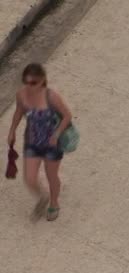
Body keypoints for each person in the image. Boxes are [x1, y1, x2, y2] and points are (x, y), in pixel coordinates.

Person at [7, 63, 73, 222]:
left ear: (42, 80)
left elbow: (67, 116)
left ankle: (54, 203)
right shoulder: (21, 95)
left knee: (52, 176)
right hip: (32, 142)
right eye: (26, 82)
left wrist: (57, 134)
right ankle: (43, 197)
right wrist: (12, 130)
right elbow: (18, 112)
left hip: (52, 144)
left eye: (33, 83)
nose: (29, 86)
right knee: (29, 178)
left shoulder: (51, 96)